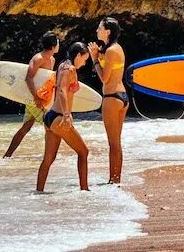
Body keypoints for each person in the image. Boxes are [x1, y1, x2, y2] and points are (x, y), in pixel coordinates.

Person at [36, 42, 91, 192]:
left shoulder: (62, 66)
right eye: (84, 59)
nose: (85, 63)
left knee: (48, 159)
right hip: (60, 117)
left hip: (50, 117)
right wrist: (67, 115)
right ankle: (85, 191)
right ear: (78, 55)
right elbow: (61, 91)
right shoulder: (70, 69)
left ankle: (39, 192)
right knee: (83, 152)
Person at [4, 32, 59, 158]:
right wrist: (36, 98)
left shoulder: (52, 59)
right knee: (49, 127)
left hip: (43, 99)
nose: (59, 45)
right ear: (53, 45)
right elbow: (28, 78)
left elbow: (46, 80)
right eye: (58, 42)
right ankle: (48, 157)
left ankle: (7, 156)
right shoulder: (38, 59)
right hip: (35, 99)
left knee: (27, 126)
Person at [89, 17, 128, 184]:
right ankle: (116, 179)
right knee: (116, 142)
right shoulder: (113, 49)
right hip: (122, 97)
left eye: (99, 28)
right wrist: (98, 54)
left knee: (113, 143)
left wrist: (95, 59)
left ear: (107, 31)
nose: (97, 30)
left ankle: (113, 180)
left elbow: (104, 78)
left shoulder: (112, 51)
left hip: (112, 97)